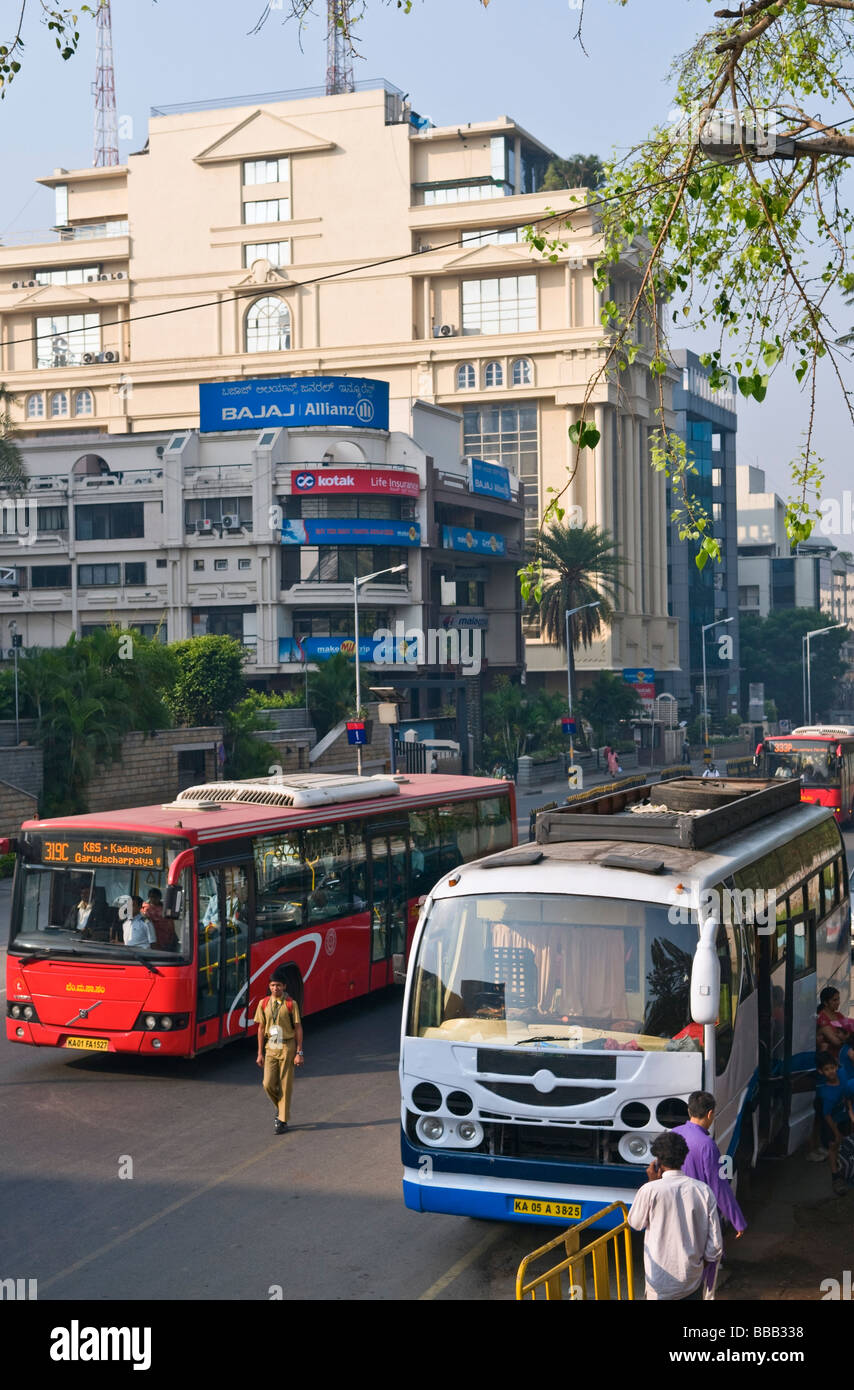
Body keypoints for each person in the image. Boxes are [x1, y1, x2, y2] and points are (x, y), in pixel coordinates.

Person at [628, 1130, 723, 1301]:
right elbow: (715, 1246)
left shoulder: (650, 1190)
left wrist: (650, 1183)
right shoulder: (703, 1190)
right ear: (683, 1158)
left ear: (658, 1162)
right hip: (691, 1280)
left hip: (659, 1284)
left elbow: (635, 1223)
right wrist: (702, 1265)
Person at [672, 1090, 746, 1297]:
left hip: (673, 1210)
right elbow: (718, 1185)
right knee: (707, 1268)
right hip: (699, 1215)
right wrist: (736, 1220)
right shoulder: (706, 1145)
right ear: (711, 1113)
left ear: (689, 1110)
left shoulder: (673, 1133)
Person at [254, 970, 304, 1134]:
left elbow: (298, 1028)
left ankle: (282, 1120)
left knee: (285, 1084)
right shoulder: (263, 1003)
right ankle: (281, 1108)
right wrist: (260, 1053)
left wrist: (299, 1052)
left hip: (286, 1046)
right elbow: (261, 1029)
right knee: (267, 1084)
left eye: (278, 985)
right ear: (269, 987)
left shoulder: (291, 1004)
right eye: (273, 985)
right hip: (271, 1047)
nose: (275, 988)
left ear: (284, 986)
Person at [815, 1051, 854, 1196]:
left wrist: (850, 1111)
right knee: (833, 1146)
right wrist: (836, 1132)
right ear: (821, 1071)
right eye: (826, 1069)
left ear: (836, 1066)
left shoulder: (843, 1074)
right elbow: (827, 1116)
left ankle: (846, 1168)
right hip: (831, 1120)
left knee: (846, 1142)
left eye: (832, 1067)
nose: (831, 1072)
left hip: (843, 1115)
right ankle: (835, 1176)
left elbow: (847, 1095)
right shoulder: (827, 1094)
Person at [816, 986, 854, 1058]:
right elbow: (836, 1042)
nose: (838, 1002)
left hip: (842, 1056)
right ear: (825, 1002)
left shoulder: (838, 1015)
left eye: (838, 999)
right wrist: (849, 1037)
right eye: (834, 1000)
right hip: (830, 1062)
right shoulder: (822, 1018)